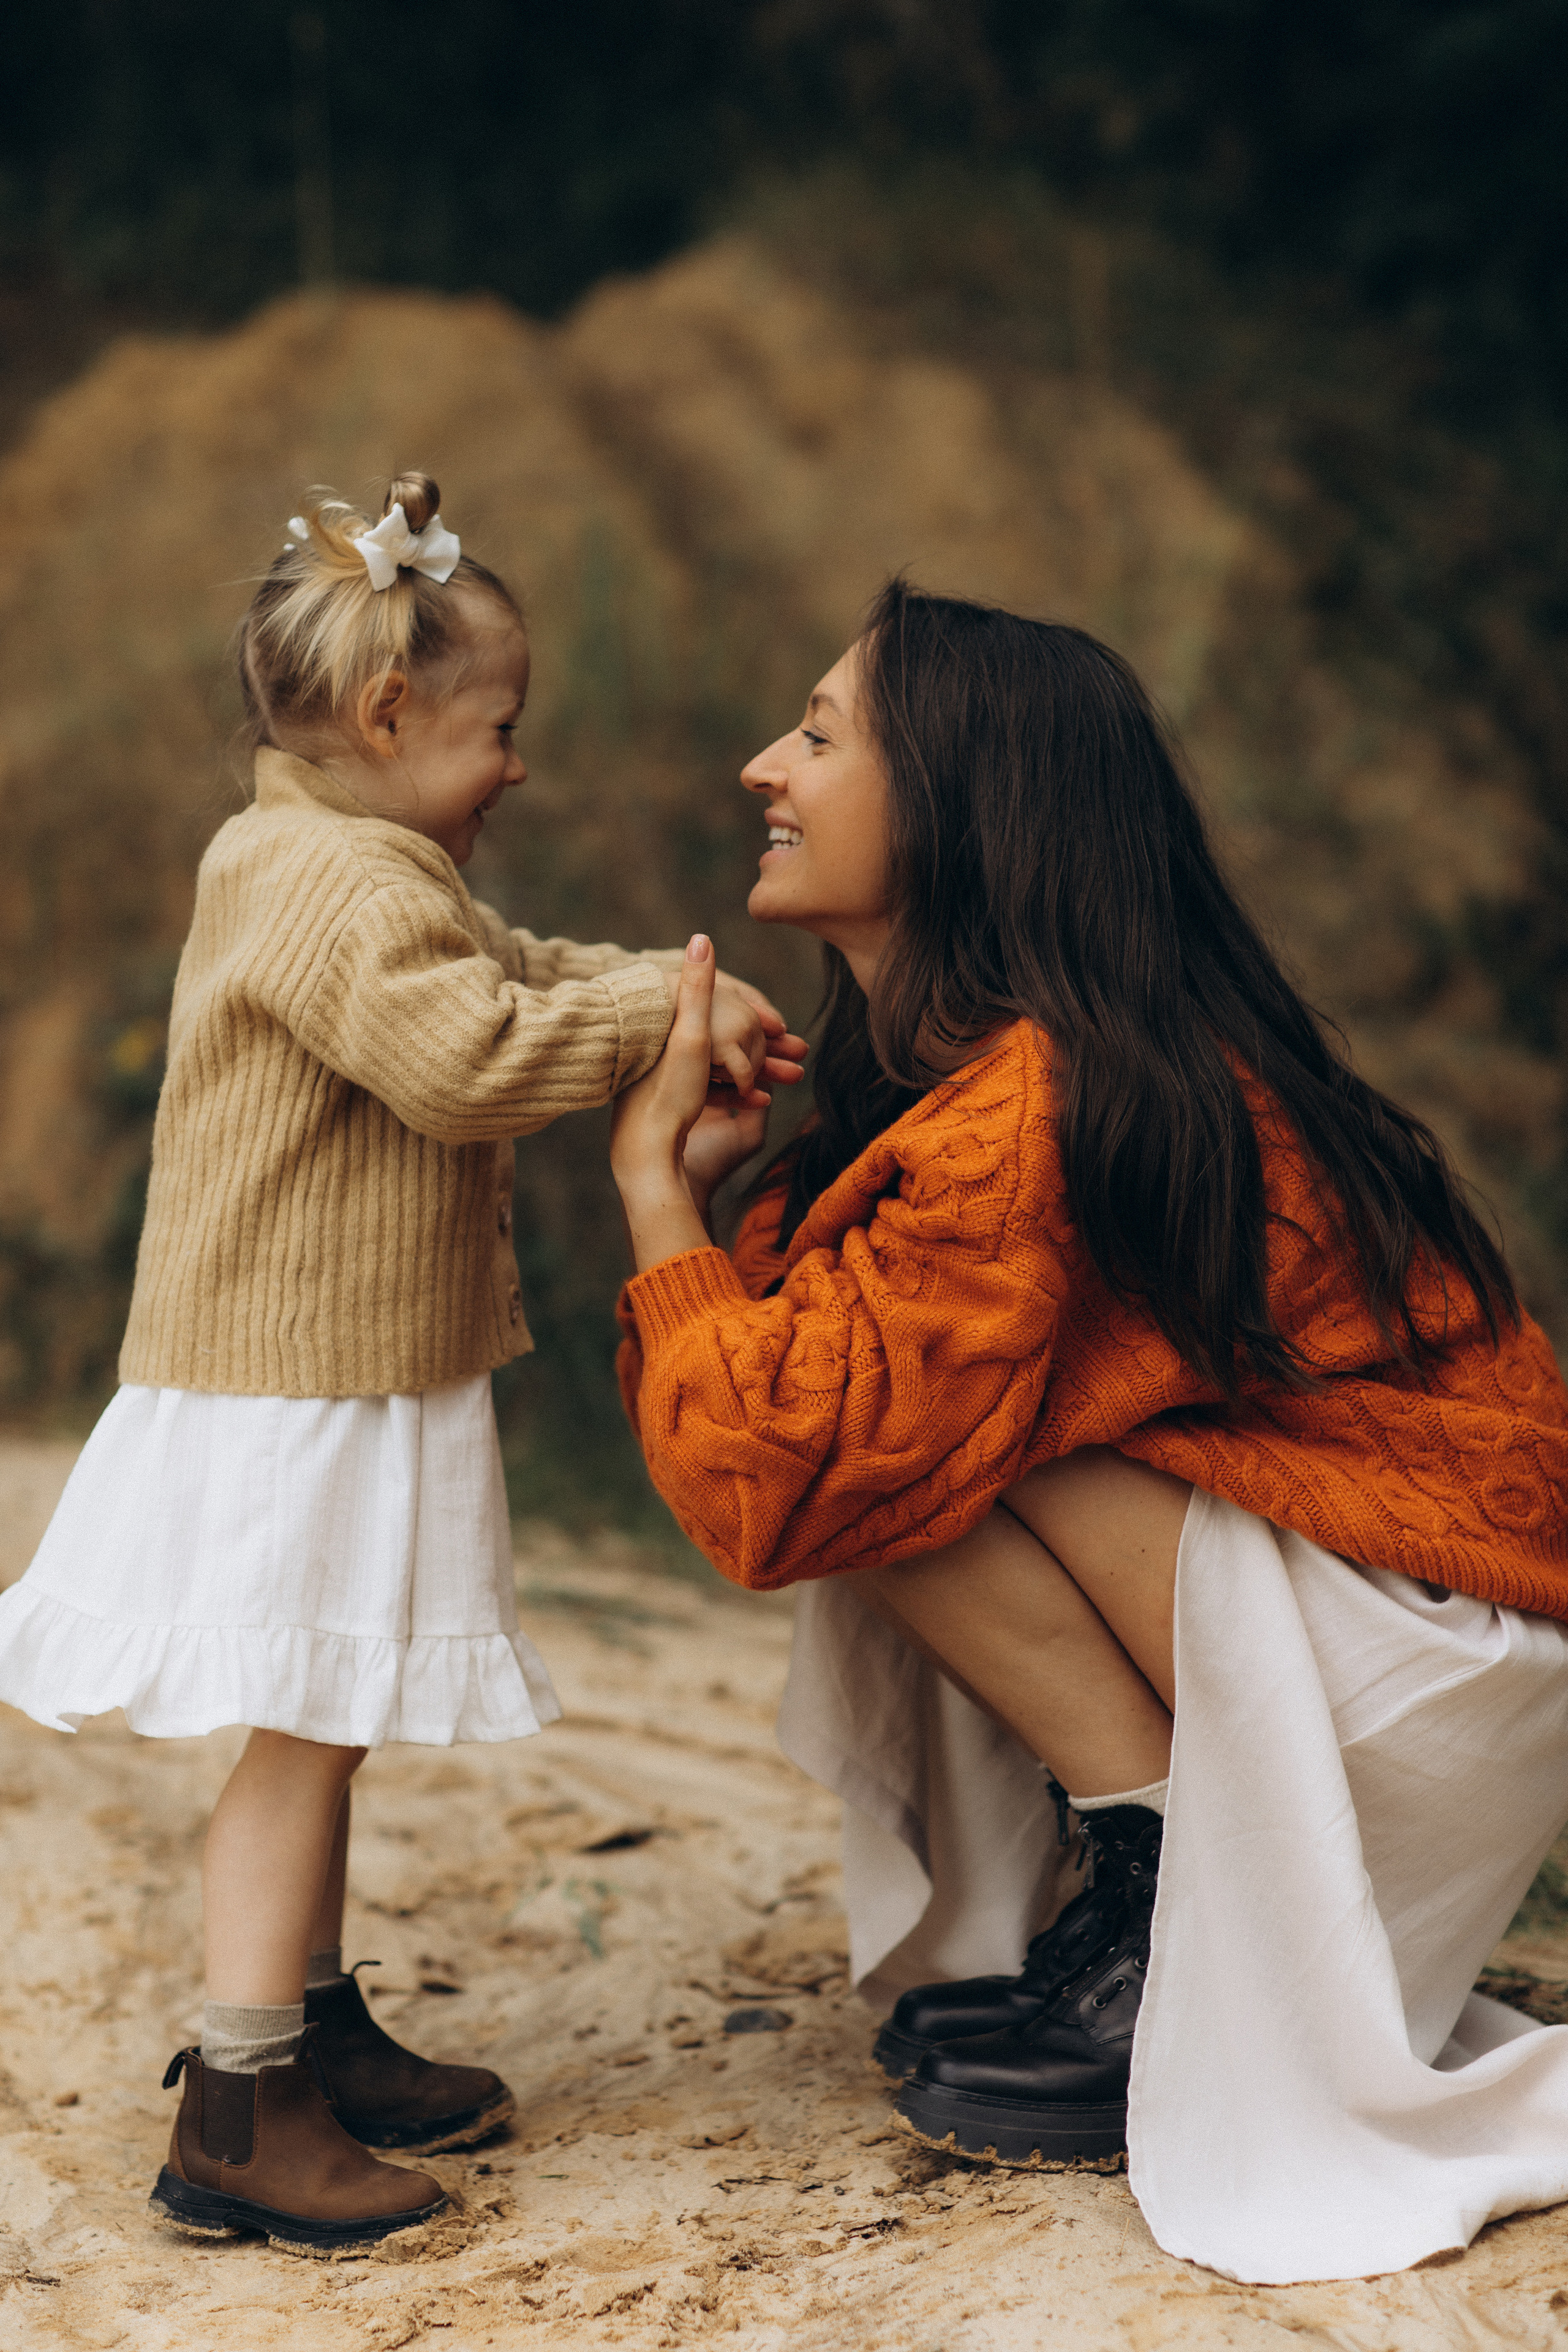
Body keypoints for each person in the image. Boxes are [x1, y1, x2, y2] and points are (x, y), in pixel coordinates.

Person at [608, 578, 1568, 2285]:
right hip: (1414, 1644)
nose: (766, 765)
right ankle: (1143, 1895)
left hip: (1436, 1664)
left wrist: (647, 1203)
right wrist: (737, 1201)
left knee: (898, 1445)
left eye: (820, 736)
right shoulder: (1012, 1069)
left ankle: (1151, 1909)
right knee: (902, 1416)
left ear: (968, 802)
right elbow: (820, 1359)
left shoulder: (1041, 1104)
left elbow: (770, 1468)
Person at [0, 474, 805, 2255]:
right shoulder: (317, 882)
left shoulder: (353, 860)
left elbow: (507, 967)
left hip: (352, 1368)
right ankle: (236, 2102)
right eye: (499, 729)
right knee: (299, 1737)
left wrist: (672, 1002)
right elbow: (461, 1051)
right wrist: (650, 1021)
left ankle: (312, 2024)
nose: (517, 763)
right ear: (389, 717)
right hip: (300, 1387)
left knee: (332, 1714)